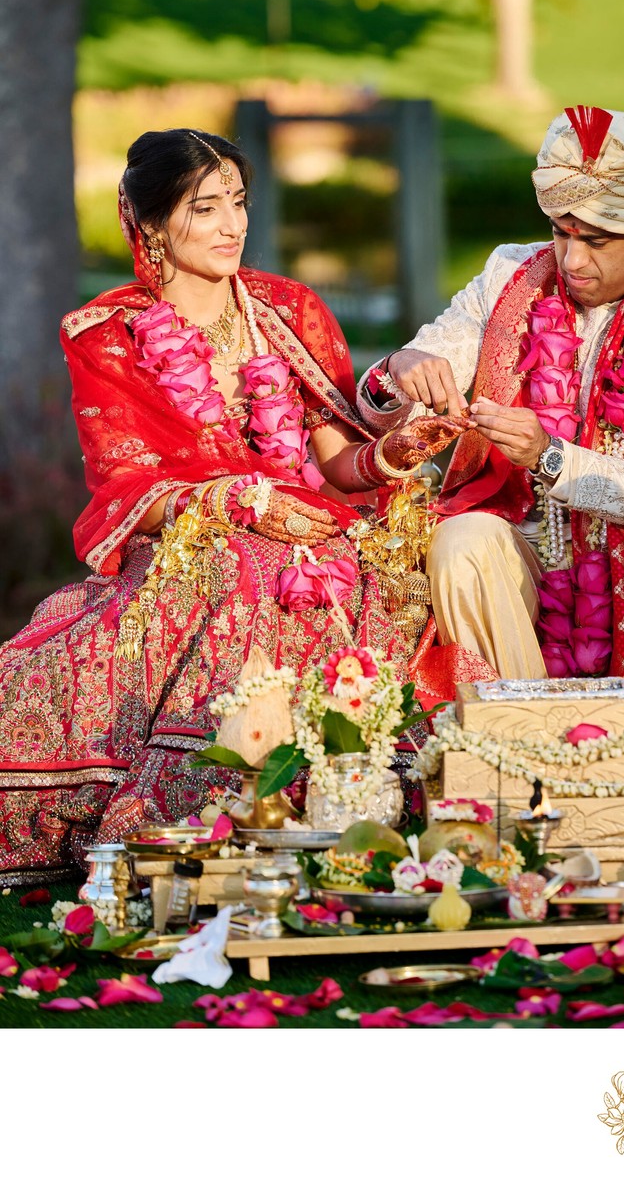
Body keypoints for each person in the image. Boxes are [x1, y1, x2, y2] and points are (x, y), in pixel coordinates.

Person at [0, 128, 464, 887]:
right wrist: (240, 500)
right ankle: (212, 809)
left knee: (407, 559)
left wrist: (392, 454)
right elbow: (127, 487)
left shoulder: (288, 308)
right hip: (191, 545)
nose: (232, 226)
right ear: (149, 225)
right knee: (245, 565)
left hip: (318, 537)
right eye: (205, 207)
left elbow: (332, 465)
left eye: (239, 203)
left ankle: (362, 793)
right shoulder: (103, 332)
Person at [358, 105, 624, 837]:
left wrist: (552, 458)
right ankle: (517, 795)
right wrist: (396, 371)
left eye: (598, 239)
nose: (572, 259)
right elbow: (404, 378)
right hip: (531, 560)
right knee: (462, 543)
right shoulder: (507, 279)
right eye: (561, 231)